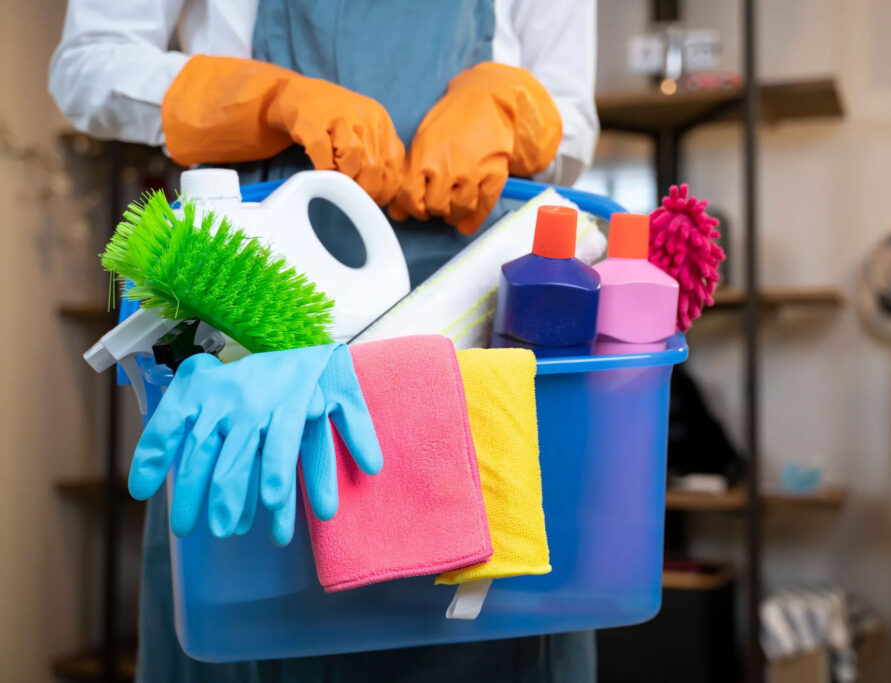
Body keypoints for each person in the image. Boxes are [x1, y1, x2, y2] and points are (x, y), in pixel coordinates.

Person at [49, 1, 598, 681]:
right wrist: (266, 99)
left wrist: (508, 110)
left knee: (490, 604)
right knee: (249, 595)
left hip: (477, 302)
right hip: (253, 293)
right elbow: (86, 66)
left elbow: (574, 116)